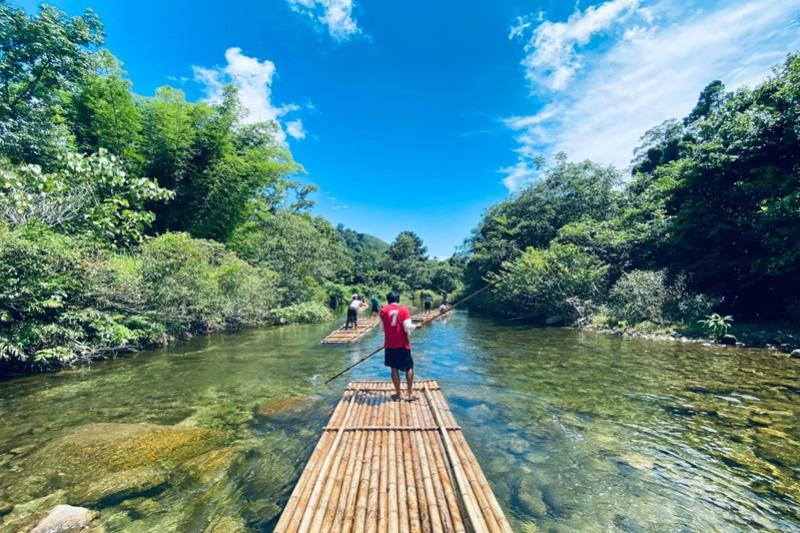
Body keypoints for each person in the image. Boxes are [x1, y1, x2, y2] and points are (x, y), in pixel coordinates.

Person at [379, 292, 417, 400]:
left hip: (390, 344)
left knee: (394, 368)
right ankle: (409, 394)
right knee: (409, 367)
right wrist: (416, 327)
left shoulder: (383, 311)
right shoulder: (404, 310)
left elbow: (382, 328)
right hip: (403, 344)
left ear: (388, 300)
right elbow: (407, 327)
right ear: (398, 300)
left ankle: (398, 394)